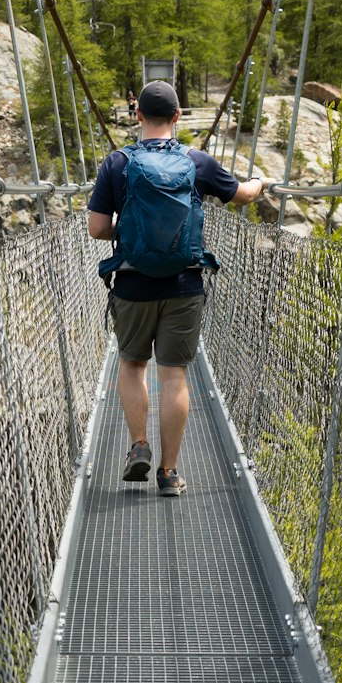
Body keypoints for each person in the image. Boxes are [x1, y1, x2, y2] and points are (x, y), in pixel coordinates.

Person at [87, 80, 266, 497]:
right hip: (184, 283)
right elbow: (241, 196)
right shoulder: (196, 160)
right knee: (174, 377)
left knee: (132, 366)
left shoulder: (117, 163)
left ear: (137, 116)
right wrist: (259, 182)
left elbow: (97, 229)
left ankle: (139, 446)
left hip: (131, 283)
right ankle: (169, 474)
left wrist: (131, 232)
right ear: (177, 117)